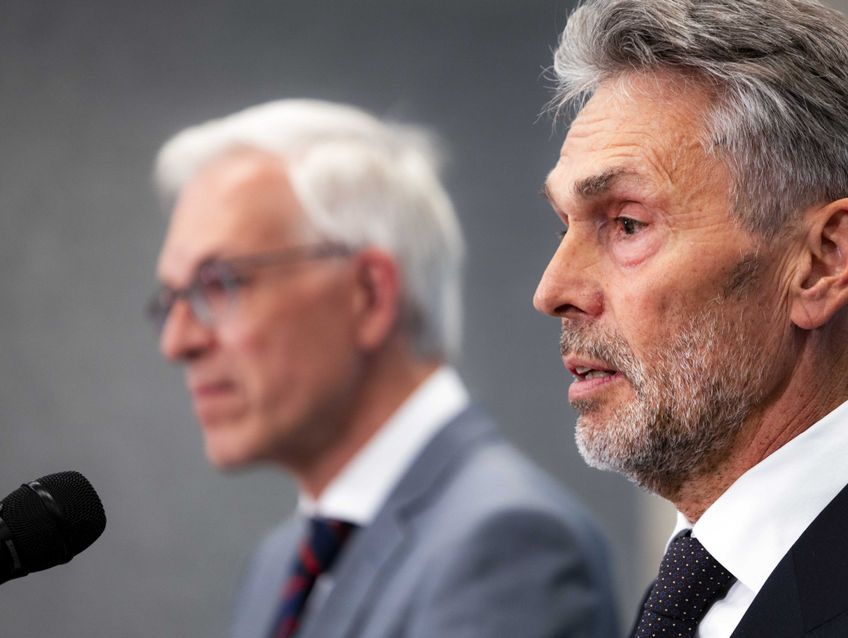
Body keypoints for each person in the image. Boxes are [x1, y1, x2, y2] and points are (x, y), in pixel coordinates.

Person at [532, 1, 848, 636]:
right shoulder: (691, 590)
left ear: (822, 264)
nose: (552, 289)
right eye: (563, 224)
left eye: (627, 223)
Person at [150, 99, 618, 638]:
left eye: (219, 284)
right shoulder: (275, 566)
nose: (177, 340)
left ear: (369, 294)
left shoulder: (506, 544)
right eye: (171, 299)